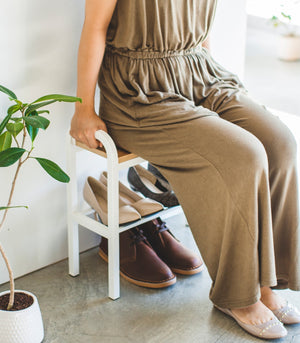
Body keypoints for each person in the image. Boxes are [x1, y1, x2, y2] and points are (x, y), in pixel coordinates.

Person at [70, 0, 300, 339]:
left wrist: (212, 82)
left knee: (280, 144)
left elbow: (198, 26)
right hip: (138, 90)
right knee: (245, 155)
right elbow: (95, 27)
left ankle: (267, 282)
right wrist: (84, 109)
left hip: (199, 72)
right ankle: (237, 295)